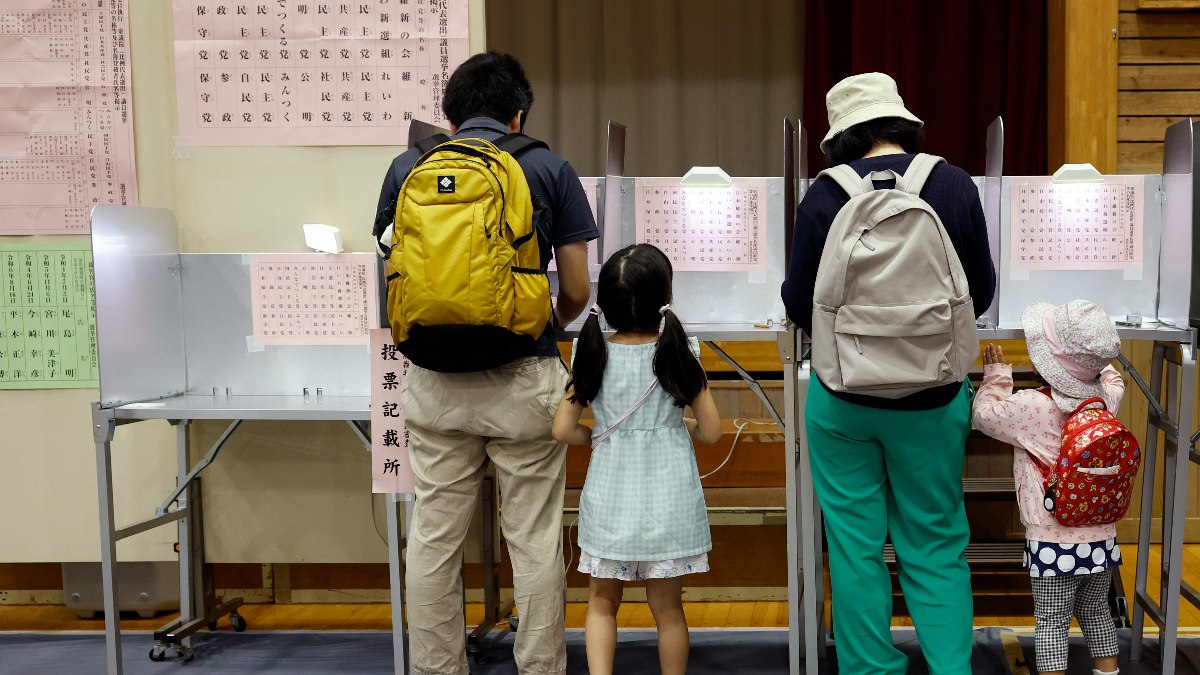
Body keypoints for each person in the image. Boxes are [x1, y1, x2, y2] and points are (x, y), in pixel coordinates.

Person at [376, 51, 597, 675]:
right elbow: (579, 288)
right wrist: (545, 321)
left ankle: (438, 669)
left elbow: (393, 274)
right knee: (533, 539)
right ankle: (540, 667)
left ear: (449, 116)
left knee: (434, 540)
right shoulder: (549, 167)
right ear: (518, 113)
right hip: (523, 378)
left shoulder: (406, 168)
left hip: (433, 382)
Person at [780, 72, 996, 674]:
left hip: (845, 398)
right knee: (935, 542)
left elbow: (801, 303)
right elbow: (979, 291)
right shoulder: (952, 185)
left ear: (840, 137)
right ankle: (951, 667)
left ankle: (870, 669)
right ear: (902, 123)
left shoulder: (824, 196)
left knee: (854, 548)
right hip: (933, 397)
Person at [551, 243, 722, 675]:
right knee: (668, 609)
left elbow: (561, 429)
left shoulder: (592, 351)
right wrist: (678, 429)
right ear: (665, 298)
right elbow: (713, 431)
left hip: (610, 496)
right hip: (670, 499)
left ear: (604, 304)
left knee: (601, 602)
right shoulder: (683, 351)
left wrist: (596, 433)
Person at [972, 299, 1125, 675]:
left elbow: (983, 416)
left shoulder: (1030, 406)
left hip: (1051, 540)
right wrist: (1097, 360)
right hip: (1102, 536)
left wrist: (997, 376)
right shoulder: (1104, 401)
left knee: (1052, 622)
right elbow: (1114, 379)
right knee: (1096, 612)